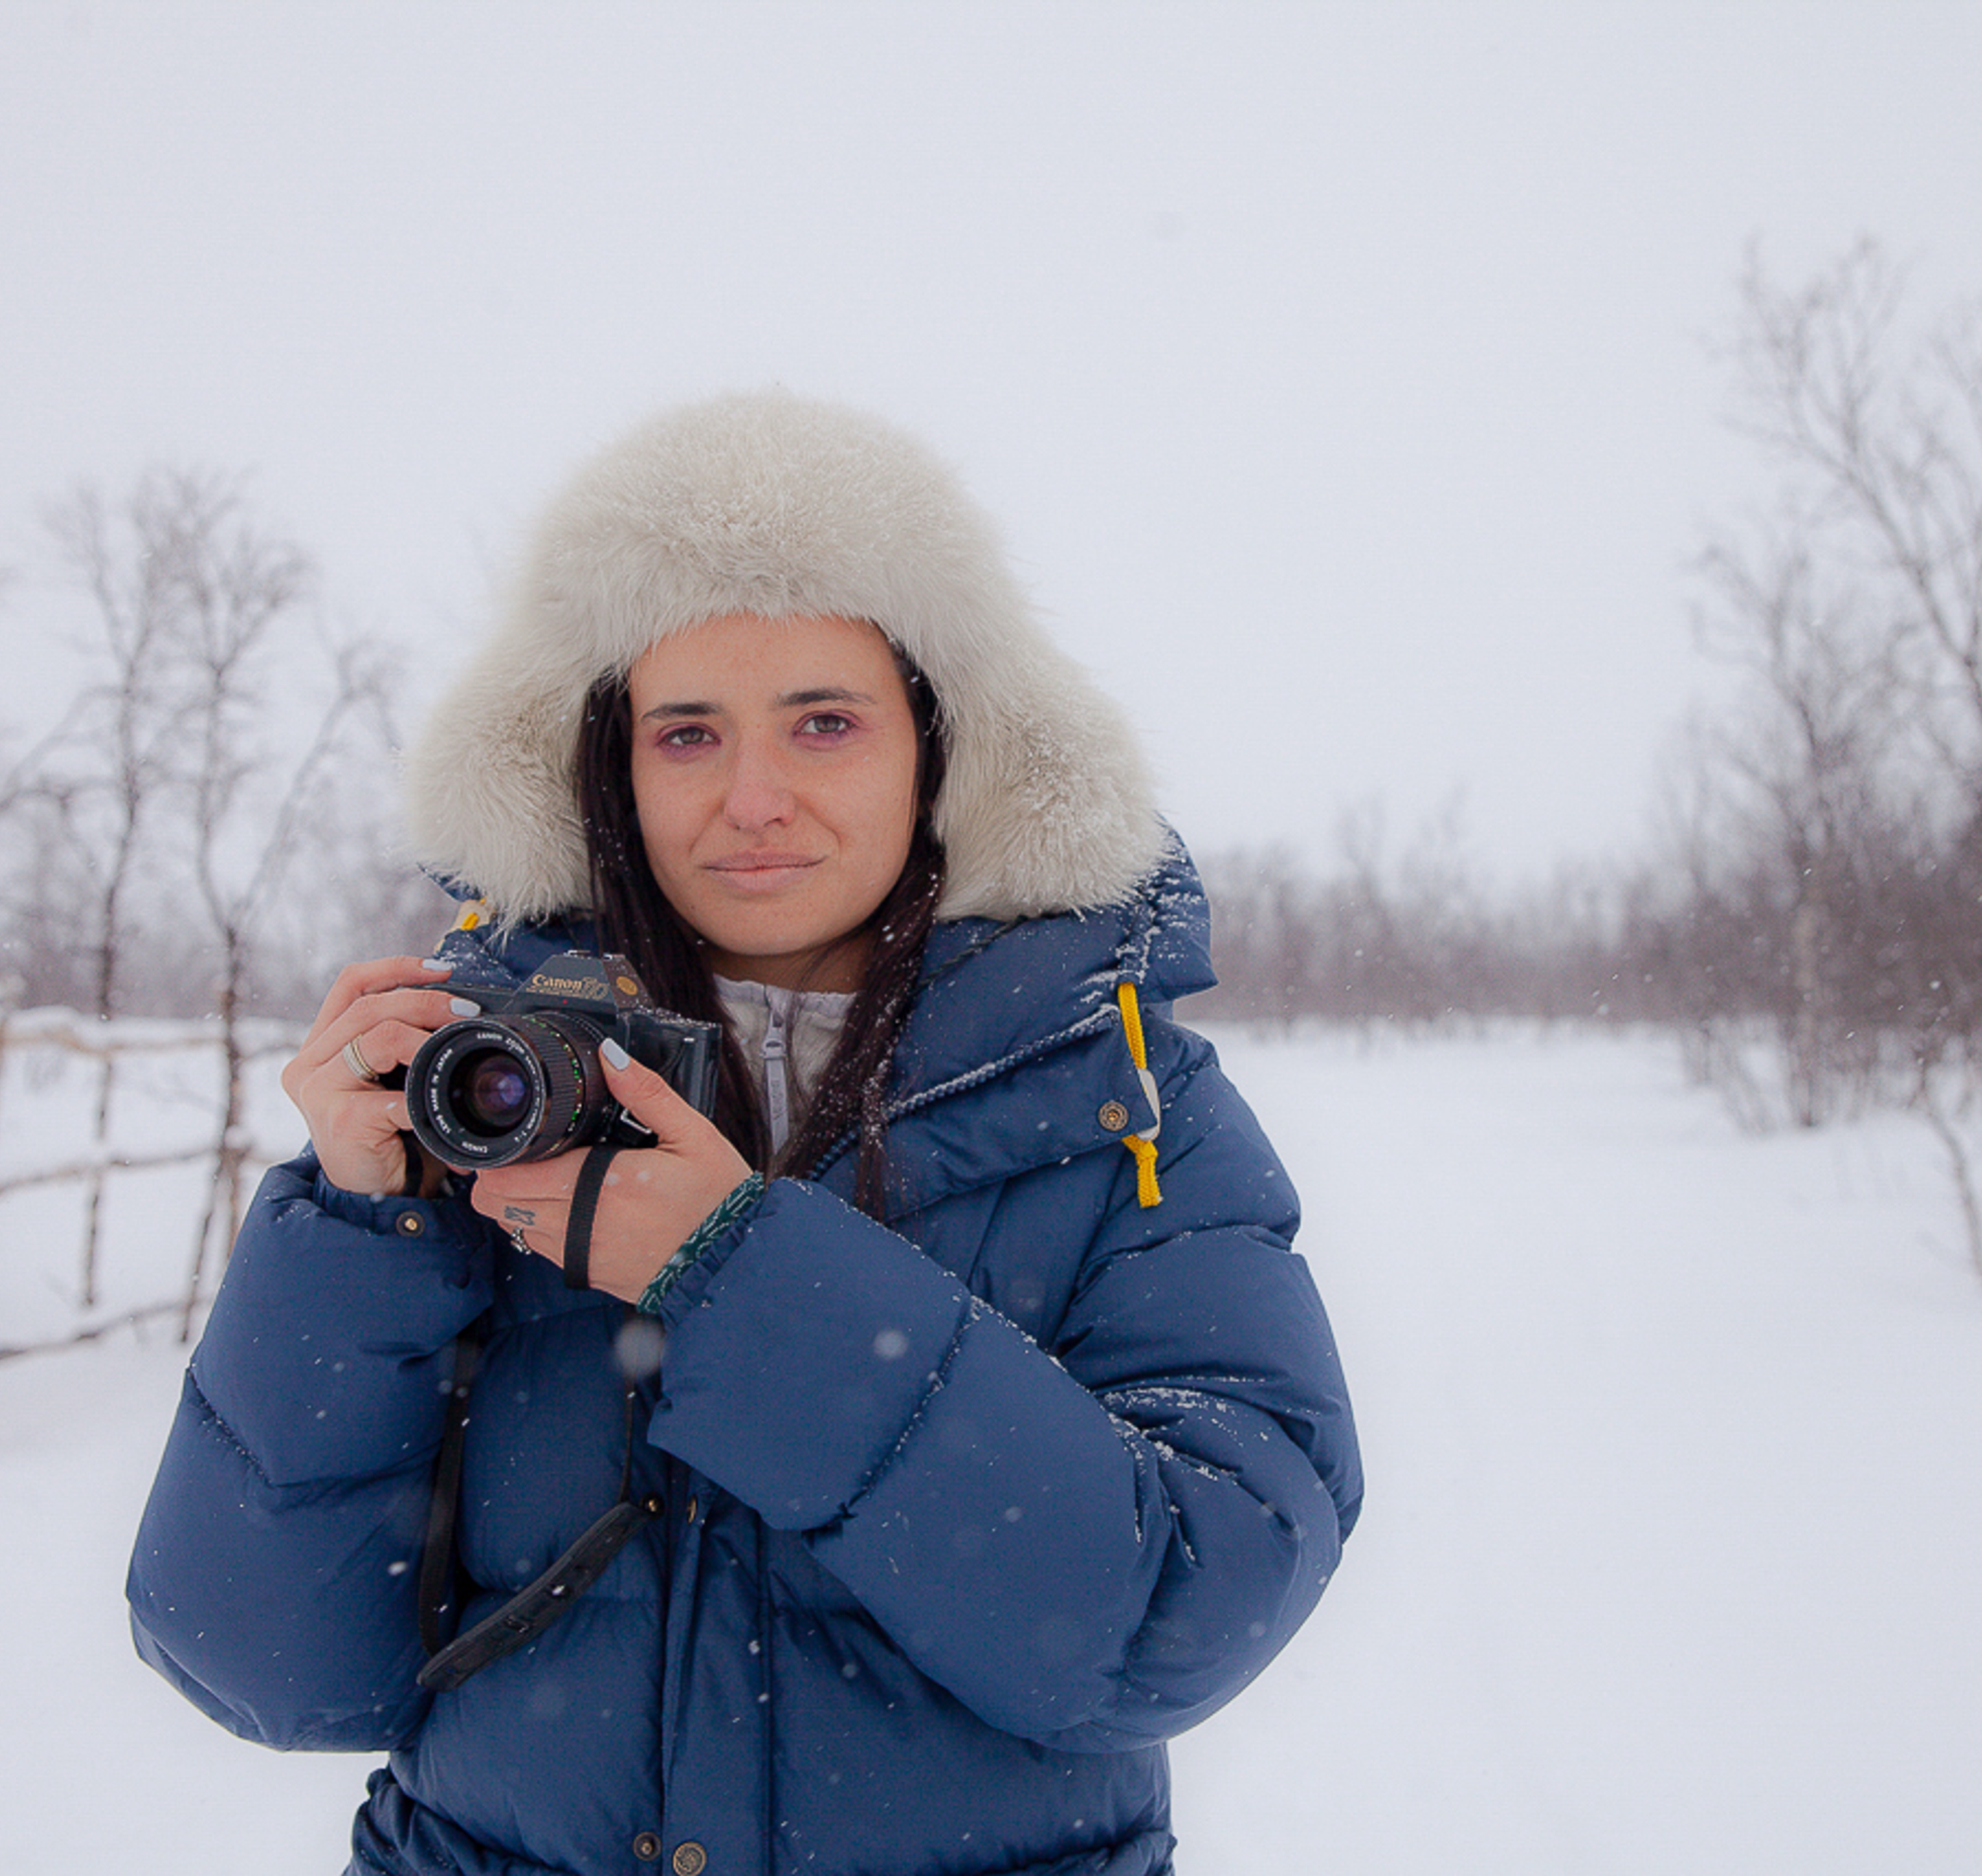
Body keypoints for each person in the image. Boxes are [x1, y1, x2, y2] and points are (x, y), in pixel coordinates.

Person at [127, 389, 1363, 1876]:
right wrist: (353, 1228)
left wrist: (736, 1279)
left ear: (941, 751)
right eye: (688, 731)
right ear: (608, 767)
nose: (752, 798)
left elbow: (1177, 1613)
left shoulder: (1118, 1104)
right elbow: (268, 1670)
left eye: (824, 723)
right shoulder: (486, 1097)